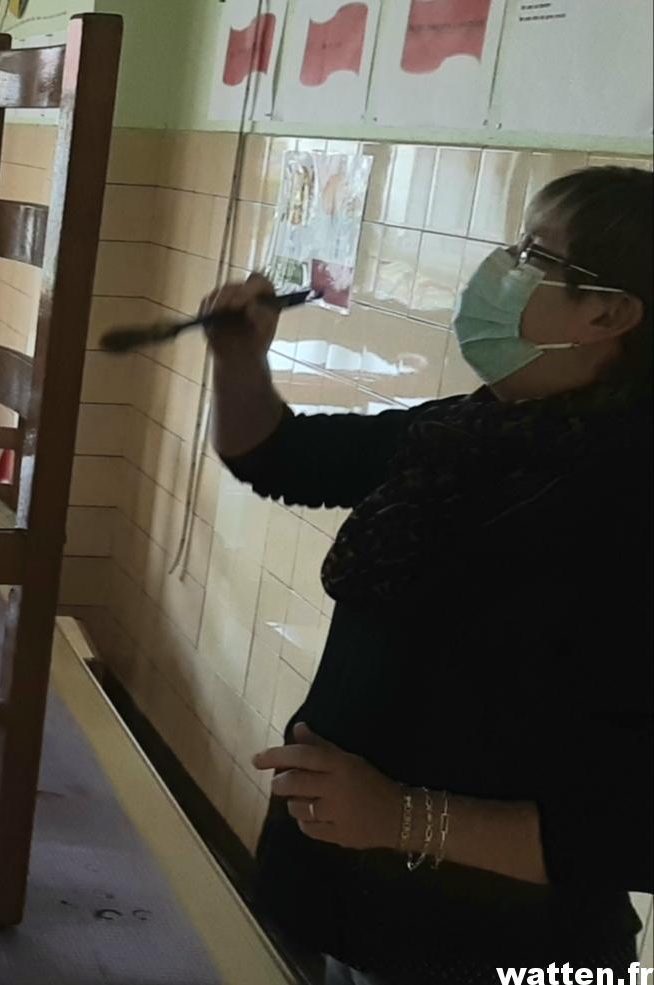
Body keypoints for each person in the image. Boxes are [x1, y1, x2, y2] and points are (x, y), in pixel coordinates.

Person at [218, 167, 651, 984]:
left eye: (533, 251)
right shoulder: (473, 430)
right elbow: (278, 454)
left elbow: (630, 824)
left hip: (494, 948)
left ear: (610, 311)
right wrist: (238, 355)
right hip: (328, 901)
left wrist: (403, 817)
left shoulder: (628, 500)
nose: (501, 266)